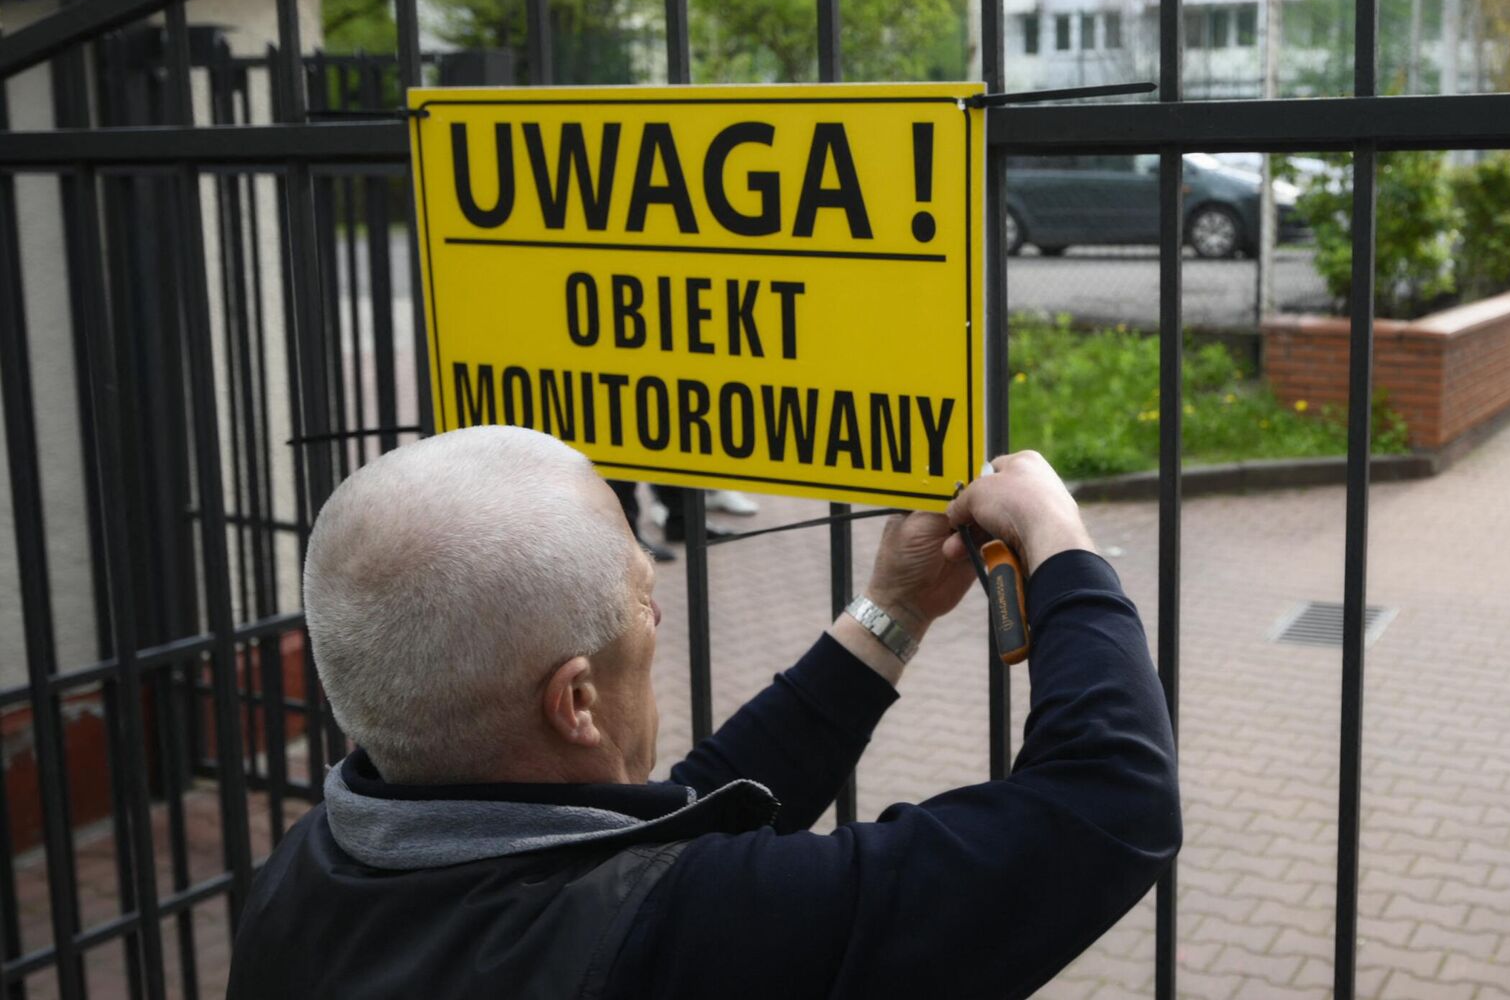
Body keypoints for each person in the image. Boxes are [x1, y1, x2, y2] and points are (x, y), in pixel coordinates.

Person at [227, 426, 1180, 999]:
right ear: (576, 701)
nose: (655, 615)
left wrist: (892, 611)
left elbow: (669, 819)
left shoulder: (298, 886)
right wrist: (1059, 541)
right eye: (642, 596)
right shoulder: (669, 944)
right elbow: (1108, 809)